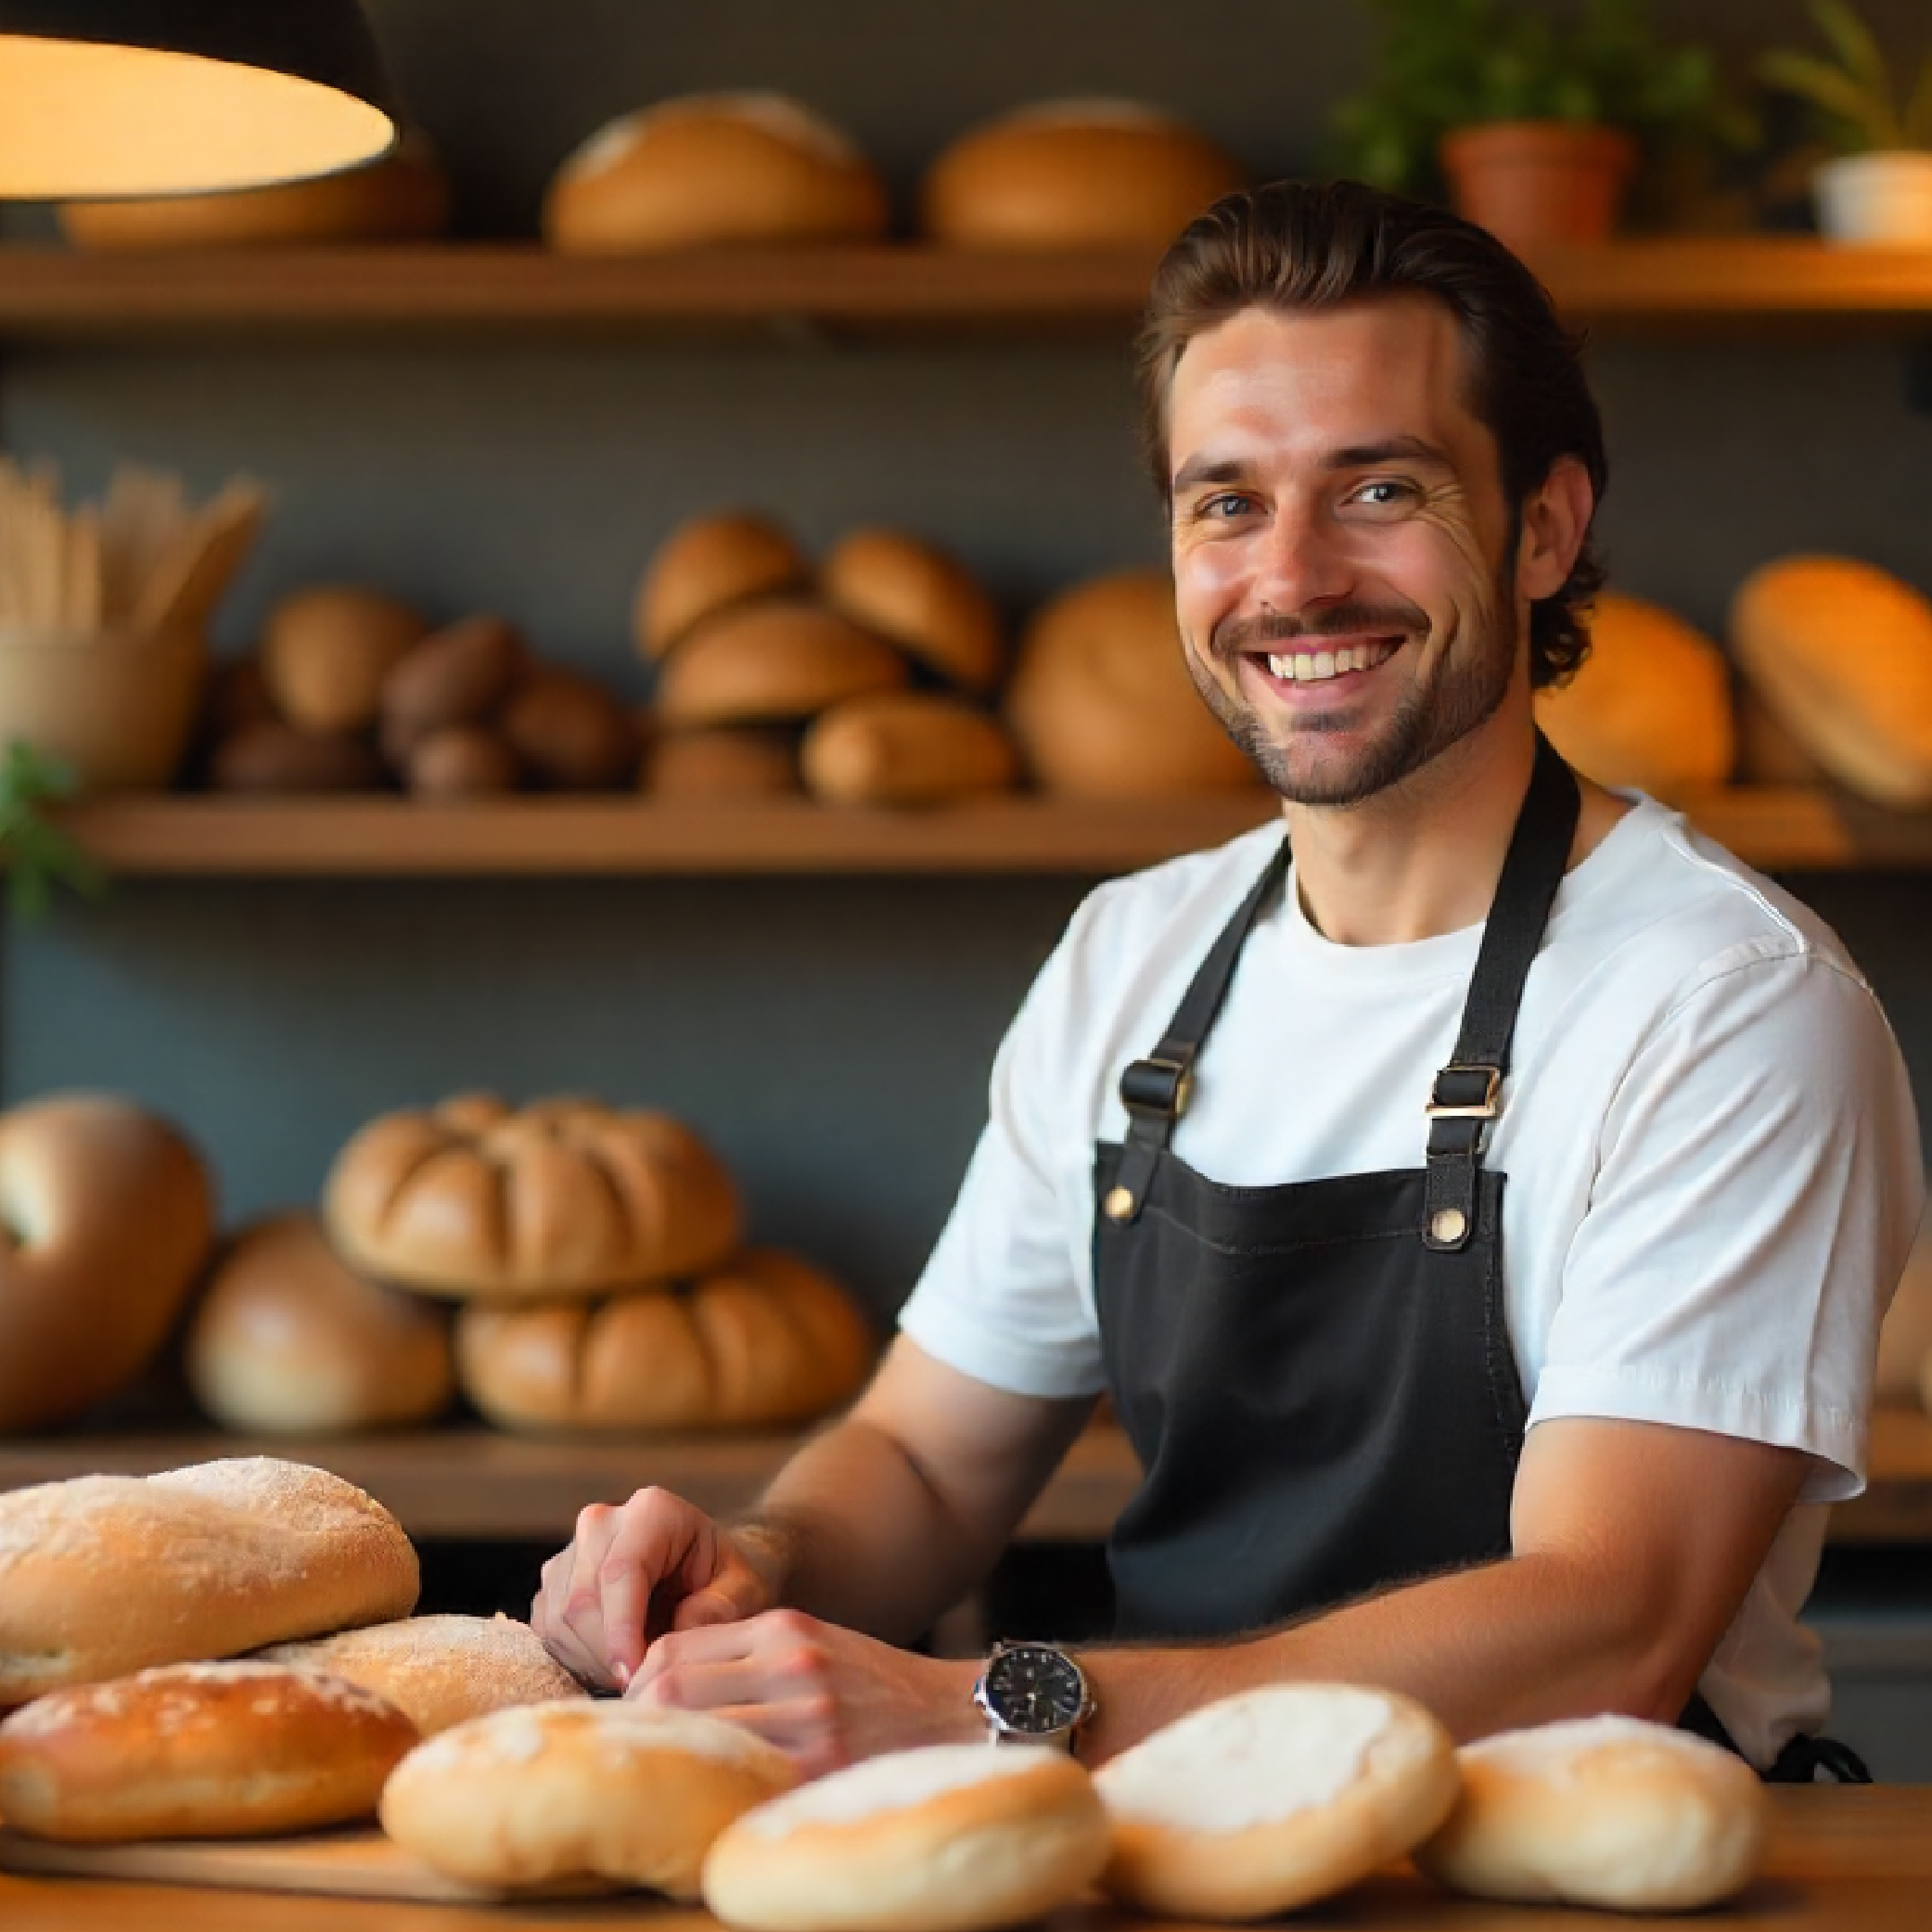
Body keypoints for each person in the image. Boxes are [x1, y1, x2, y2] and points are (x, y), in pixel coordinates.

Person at [532, 179, 1922, 1782]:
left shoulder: (1723, 1001)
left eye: (1379, 488)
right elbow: (920, 1462)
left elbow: (1610, 1622)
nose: (1295, 578)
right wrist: (755, 1571)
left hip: (1565, 1869)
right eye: (1228, 503)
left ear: (1544, 529)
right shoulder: (1135, 956)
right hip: (1164, 1845)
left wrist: (993, 1706)